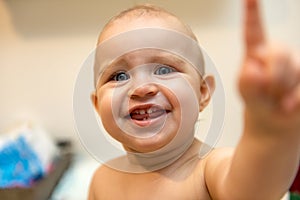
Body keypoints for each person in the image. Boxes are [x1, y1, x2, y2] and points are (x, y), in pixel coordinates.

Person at [88, 0, 300, 199]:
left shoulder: (209, 170)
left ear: (202, 93)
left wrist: (268, 130)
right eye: (119, 76)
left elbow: (253, 190)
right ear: (97, 105)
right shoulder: (101, 180)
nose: (141, 88)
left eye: (163, 69)